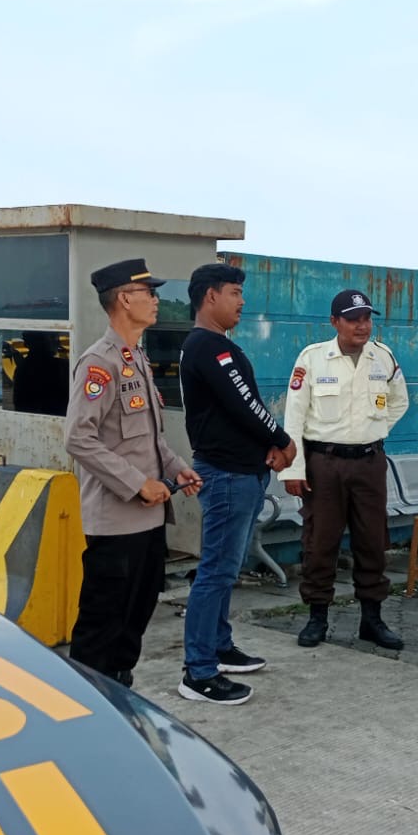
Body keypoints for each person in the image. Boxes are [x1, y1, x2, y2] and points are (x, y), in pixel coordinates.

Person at [64, 259, 202, 687]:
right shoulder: (99, 363)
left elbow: (147, 437)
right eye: (149, 293)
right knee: (102, 625)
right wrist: (137, 483)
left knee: (134, 620)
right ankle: (88, 702)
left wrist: (178, 468)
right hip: (116, 522)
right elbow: (78, 437)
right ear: (125, 299)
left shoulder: (136, 358)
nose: (157, 300)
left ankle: (120, 691)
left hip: (149, 519)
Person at [178, 262, 297, 706]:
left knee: (227, 569)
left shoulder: (218, 346)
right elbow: (245, 404)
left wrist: (269, 447)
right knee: (216, 571)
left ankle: (219, 647)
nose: (242, 302)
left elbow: (242, 407)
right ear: (210, 296)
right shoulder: (208, 346)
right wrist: (282, 440)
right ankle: (198, 671)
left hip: (241, 472)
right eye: (234, 292)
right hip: (227, 475)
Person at [281, 288, 410, 649]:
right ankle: (317, 618)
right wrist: (293, 469)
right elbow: (294, 416)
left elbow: (399, 401)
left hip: (369, 464)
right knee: (320, 542)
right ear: (335, 322)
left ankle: (372, 620)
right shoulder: (313, 358)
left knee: (372, 541)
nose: (362, 326)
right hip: (325, 464)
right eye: (353, 319)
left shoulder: (383, 357)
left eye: (366, 318)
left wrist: (374, 429)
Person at [11, 330, 70, 416]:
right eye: (53, 338)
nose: (58, 343)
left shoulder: (22, 368)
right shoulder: (61, 366)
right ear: (38, 341)